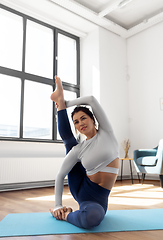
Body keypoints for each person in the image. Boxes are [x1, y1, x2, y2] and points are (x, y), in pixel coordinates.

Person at [50, 76, 119, 229]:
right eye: (76, 121)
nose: (80, 123)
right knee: (69, 142)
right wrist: (57, 205)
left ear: (93, 119)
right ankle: (65, 215)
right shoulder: (78, 149)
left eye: (83, 118)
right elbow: (60, 175)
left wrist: (67, 103)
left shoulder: (106, 132)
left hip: (98, 200)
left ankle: (60, 103)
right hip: (81, 190)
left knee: (93, 217)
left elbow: (92, 100)